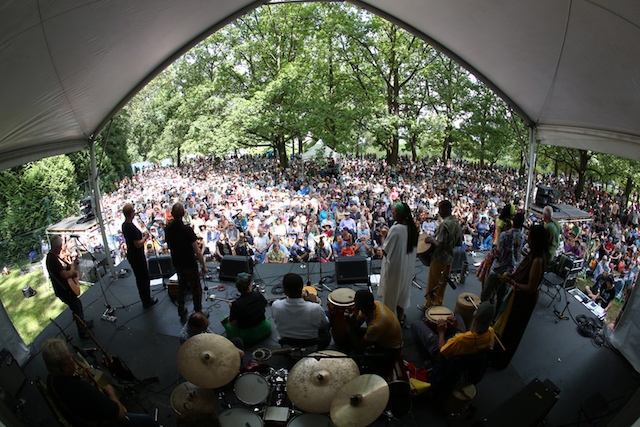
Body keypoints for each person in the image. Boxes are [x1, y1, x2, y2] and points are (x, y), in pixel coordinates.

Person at [41, 339, 159, 427]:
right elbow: (120, 415)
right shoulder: (84, 390)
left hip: (79, 419)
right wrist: (111, 392)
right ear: (65, 368)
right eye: (69, 357)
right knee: (148, 420)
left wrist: (86, 381)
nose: (72, 356)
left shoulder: (51, 379)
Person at [491, 224, 549, 369]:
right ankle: (496, 355)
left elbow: (530, 288)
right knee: (506, 327)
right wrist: (512, 277)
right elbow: (522, 274)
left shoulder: (538, 260)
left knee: (512, 331)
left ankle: (500, 361)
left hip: (524, 300)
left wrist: (512, 282)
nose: (527, 238)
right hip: (518, 295)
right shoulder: (533, 254)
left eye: (529, 236)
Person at [410, 300, 495, 363]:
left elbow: (441, 351)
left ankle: (427, 359)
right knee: (457, 316)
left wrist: (441, 332)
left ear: (475, 319)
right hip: (469, 350)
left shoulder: (460, 339)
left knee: (415, 324)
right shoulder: (491, 332)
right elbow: (471, 335)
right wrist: (457, 327)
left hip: (445, 355)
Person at [377, 202, 418, 324]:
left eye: (394, 212)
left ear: (400, 214)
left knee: (391, 292)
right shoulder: (413, 228)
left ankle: (389, 320)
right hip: (407, 267)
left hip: (394, 267)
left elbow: (384, 251)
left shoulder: (395, 229)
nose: (392, 214)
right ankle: (401, 317)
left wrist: (382, 237)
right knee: (402, 291)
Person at [165, 203, 208, 317]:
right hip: (189, 263)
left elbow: (169, 246)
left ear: (172, 214)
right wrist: (203, 266)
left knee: (182, 286)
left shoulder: (168, 229)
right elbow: (197, 251)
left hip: (177, 262)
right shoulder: (187, 230)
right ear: (184, 214)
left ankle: (181, 308)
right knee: (196, 289)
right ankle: (198, 313)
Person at [46, 235, 93, 339]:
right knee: (76, 308)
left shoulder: (51, 257)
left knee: (77, 306)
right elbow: (64, 275)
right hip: (64, 290)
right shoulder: (52, 259)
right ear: (58, 247)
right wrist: (73, 273)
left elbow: (60, 269)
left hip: (63, 289)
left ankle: (83, 324)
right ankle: (82, 332)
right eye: (61, 246)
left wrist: (69, 266)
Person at [421, 200, 463, 309]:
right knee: (442, 283)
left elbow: (441, 245)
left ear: (446, 208)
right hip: (449, 258)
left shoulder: (445, 224)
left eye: (440, 209)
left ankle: (429, 305)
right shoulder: (456, 222)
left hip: (439, 258)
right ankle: (438, 303)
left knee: (433, 282)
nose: (439, 212)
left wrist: (431, 240)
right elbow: (459, 242)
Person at [481, 212, 525, 316]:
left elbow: (498, 253)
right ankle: (495, 317)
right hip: (510, 271)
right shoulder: (522, 236)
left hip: (498, 269)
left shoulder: (505, 235)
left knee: (486, 294)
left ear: (513, 221)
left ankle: (481, 315)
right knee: (501, 296)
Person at [349, 290, 403, 374]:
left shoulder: (376, 324)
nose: (353, 303)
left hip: (391, 348)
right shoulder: (374, 305)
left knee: (355, 356)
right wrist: (353, 323)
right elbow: (357, 324)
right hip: (381, 336)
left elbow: (359, 348)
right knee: (350, 333)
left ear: (360, 306)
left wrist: (351, 325)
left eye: (355, 302)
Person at [271, 273, 330, 348]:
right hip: (312, 348)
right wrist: (315, 302)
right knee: (328, 314)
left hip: (287, 347)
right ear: (302, 288)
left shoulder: (276, 306)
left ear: (285, 291)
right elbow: (324, 323)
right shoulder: (315, 308)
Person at [122, 204, 158, 308]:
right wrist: (145, 237)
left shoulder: (125, 225)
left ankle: (145, 299)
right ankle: (147, 300)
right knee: (143, 278)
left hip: (133, 255)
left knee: (141, 278)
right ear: (131, 213)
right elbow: (137, 244)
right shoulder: (130, 227)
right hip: (136, 256)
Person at [223, 273, 271, 344]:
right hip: (265, 329)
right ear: (249, 287)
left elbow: (233, 323)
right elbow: (266, 305)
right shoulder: (258, 295)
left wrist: (231, 308)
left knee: (224, 321)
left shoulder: (236, 304)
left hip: (248, 336)